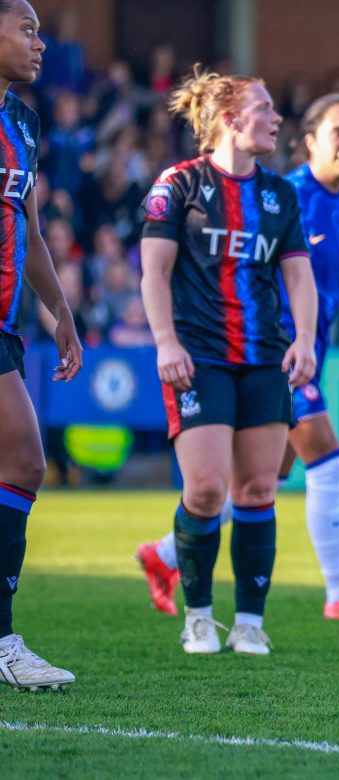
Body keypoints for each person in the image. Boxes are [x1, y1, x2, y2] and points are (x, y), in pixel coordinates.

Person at [135, 94, 339, 620]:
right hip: (270, 352)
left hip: (309, 352)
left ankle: (165, 553)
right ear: (309, 140)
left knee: (260, 483)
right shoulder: (284, 196)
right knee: (328, 461)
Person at [138, 66, 318, 655]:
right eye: (263, 108)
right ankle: (197, 615)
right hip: (198, 357)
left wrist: (306, 338)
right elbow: (154, 273)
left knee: (259, 488)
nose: (276, 119)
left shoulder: (280, 194)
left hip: (264, 358)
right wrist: (166, 341)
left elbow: (299, 275)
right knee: (209, 489)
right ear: (228, 120)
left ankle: (249, 623)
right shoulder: (180, 184)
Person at [0, 0, 84, 692]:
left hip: (3, 328)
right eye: (26, 28)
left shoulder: (23, 123)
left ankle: (1, 639)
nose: (41, 43)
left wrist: (60, 311)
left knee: (25, 462)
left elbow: (27, 228)